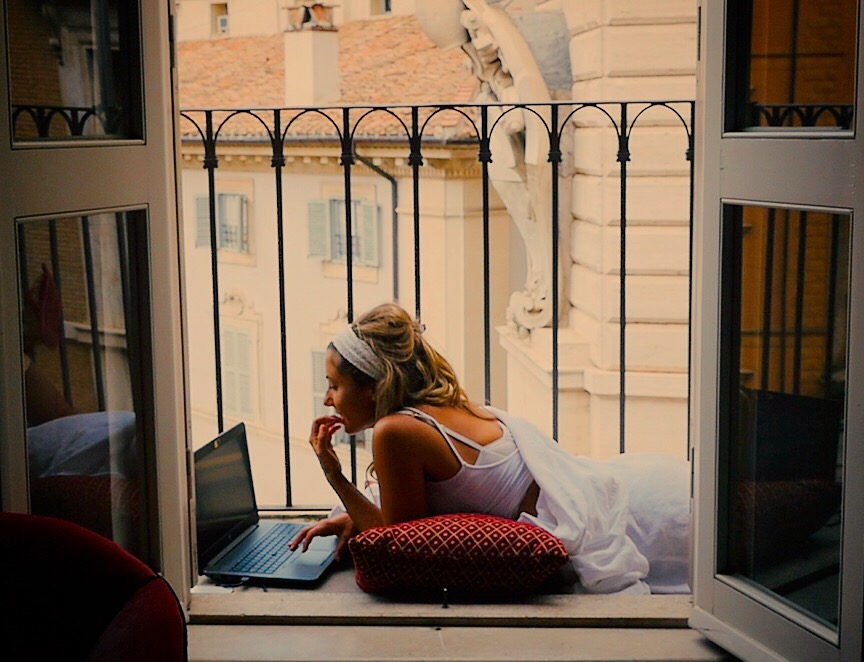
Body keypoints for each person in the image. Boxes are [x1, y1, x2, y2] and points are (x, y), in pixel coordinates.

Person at [290, 303, 690, 595]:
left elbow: (398, 542)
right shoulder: (439, 409)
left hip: (647, 524)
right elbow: (410, 511)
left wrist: (335, 476)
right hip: (631, 486)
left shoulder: (395, 431)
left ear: (374, 386)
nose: (328, 399)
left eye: (334, 384)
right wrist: (352, 517)